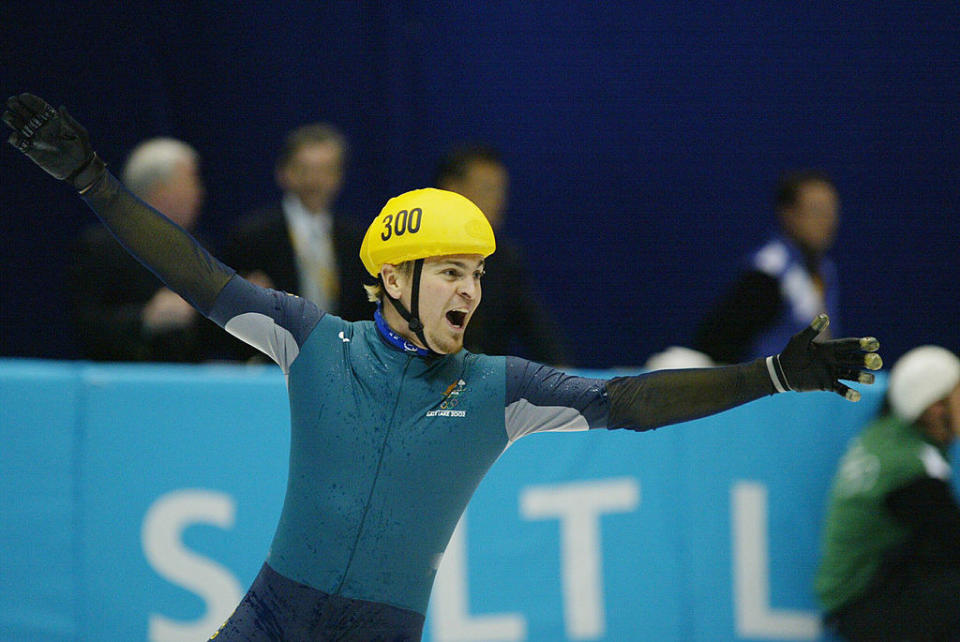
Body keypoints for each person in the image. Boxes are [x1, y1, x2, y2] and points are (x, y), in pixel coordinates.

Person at [4, 93, 883, 641]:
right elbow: (199, 276)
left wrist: (772, 374)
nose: (470, 289)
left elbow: (631, 402)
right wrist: (94, 181)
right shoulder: (313, 341)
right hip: (268, 620)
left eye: (477, 274)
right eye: (451, 272)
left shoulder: (500, 388)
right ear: (392, 279)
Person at [816, 345, 960, 641]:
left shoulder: (883, 435)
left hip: (858, 597)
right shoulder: (908, 463)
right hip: (863, 606)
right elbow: (950, 539)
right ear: (936, 408)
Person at [67, 136, 219, 361]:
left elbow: (212, 335)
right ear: (160, 189)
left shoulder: (201, 248)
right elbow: (86, 325)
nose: (199, 193)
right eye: (191, 181)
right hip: (123, 380)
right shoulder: (101, 246)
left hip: (188, 382)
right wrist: (146, 318)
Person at [222, 121, 370, 320]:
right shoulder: (253, 236)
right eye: (305, 169)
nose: (315, 180)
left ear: (339, 176)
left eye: (326, 170)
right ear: (284, 172)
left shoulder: (355, 238)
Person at [435, 144, 568, 364]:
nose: (499, 201)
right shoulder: (416, 256)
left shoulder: (504, 259)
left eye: (501, 191)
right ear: (452, 190)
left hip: (486, 387)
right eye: (488, 189)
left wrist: (565, 374)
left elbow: (536, 327)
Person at [693, 170, 841, 364]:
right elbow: (717, 344)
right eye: (816, 211)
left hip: (811, 390)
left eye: (832, 211)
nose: (827, 221)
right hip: (771, 391)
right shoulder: (768, 273)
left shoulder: (824, 270)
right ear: (788, 214)